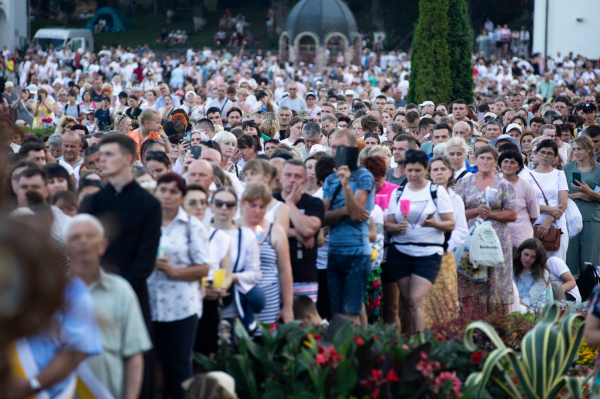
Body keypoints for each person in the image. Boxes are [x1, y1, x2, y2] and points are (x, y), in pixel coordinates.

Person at [80, 133, 161, 399]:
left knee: (138, 364)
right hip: (93, 295)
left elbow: (147, 257)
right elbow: (83, 252)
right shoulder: (93, 202)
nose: (101, 160)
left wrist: (119, 289)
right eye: (100, 155)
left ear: (128, 159)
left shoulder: (149, 203)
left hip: (133, 293)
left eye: (108, 155)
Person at [66, 214, 153, 399]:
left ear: (103, 245)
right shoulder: (52, 293)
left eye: (90, 236)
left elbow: (134, 355)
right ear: (66, 247)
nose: (83, 242)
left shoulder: (121, 291)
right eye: (75, 237)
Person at [147, 173, 211, 399]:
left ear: (182, 196)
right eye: (162, 190)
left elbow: (204, 267)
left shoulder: (191, 226)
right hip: (152, 304)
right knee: (156, 366)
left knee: (180, 367)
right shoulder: (147, 223)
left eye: (173, 191)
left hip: (182, 306)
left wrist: (175, 272)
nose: (166, 195)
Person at [385, 150, 455, 335]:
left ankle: (422, 344)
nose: (413, 175)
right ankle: (413, 339)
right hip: (400, 252)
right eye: (410, 170)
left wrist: (434, 223)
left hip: (428, 254)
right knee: (408, 301)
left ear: (426, 169)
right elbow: (388, 224)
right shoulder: (398, 193)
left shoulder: (436, 191)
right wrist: (397, 227)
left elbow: (450, 223)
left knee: (416, 299)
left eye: (417, 170)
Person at [456, 145, 517, 315]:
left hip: (497, 238)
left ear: (495, 162)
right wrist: (476, 211)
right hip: (471, 237)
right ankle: (471, 321)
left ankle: (501, 324)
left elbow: (512, 214)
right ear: (475, 160)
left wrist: (491, 215)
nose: (485, 161)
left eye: (489, 158)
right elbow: (457, 212)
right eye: (481, 158)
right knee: (471, 279)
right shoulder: (464, 182)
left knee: (497, 281)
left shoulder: (504, 184)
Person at [323, 129, 375, 325]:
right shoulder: (329, 179)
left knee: (352, 313)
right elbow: (323, 218)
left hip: (357, 253)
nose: (336, 151)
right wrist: (345, 210)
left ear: (353, 149)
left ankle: (355, 353)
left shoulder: (363, 176)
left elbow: (356, 214)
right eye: (333, 147)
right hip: (333, 251)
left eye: (340, 147)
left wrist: (346, 187)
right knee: (336, 314)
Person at [422, 156, 468, 328]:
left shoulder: (455, 199)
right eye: (435, 169)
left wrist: (445, 245)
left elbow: (461, 229)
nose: (439, 173)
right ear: (429, 173)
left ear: (450, 172)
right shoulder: (423, 195)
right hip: (422, 253)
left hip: (445, 254)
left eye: (443, 169)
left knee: (444, 299)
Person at [211, 186, 263, 332]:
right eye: (219, 203)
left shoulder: (246, 235)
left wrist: (231, 277)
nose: (223, 208)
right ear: (211, 206)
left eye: (229, 205)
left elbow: (255, 273)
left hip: (236, 305)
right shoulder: (202, 232)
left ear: (235, 209)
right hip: (207, 301)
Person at [273, 160, 324, 302]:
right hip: (272, 278)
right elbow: (261, 231)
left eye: (297, 176)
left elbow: (308, 230)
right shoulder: (270, 201)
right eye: (288, 175)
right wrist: (294, 233)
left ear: (305, 180)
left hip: (304, 278)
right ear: (281, 177)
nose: (292, 180)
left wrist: (290, 203)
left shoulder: (314, 203)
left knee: (305, 323)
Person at [522, 139, 569, 262]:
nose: (545, 156)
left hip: (556, 223)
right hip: (534, 222)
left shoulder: (559, 174)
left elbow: (563, 203)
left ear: (554, 157)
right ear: (537, 153)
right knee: (533, 262)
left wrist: (549, 220)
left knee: (557, 263)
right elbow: (525, 203)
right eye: (542, 152)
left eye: (549, 153)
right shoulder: (526, 176)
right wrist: (548, 209)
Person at [564, 135, 600, 278]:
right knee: (570, 255)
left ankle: (589, 289)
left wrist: (590, 192)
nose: (576, 152)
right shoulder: (568, 168)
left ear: (589, 149)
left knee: (589, 257)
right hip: (571, 217)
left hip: (592, 217)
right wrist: (579, 195)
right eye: (574, 149)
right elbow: (560, 195)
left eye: (580, 149)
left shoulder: (598, 169)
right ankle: (571, 291)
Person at [499, 150, 540, 251]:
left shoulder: (526, 187)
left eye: (512, 162)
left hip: (520, 239)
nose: (508, 165)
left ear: (519, 167)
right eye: (505, 161)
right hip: (497, 238)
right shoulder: (494, 184)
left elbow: (534, 215)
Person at [242, 159, 290, 231]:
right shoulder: (237, 201)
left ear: (267, 177)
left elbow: (280, 236)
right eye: (246, 174)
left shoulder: (280, 208)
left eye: (253, 173)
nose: (248, 178)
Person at [513, 238, 550, 313]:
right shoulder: (511, 268)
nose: (528, 259)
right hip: (515, 307)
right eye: (526, 254)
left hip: (533, 311)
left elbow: (529, 299)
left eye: (533, 257)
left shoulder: (543, 273)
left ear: (538, 258)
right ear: (520, 252)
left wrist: (513, 308)